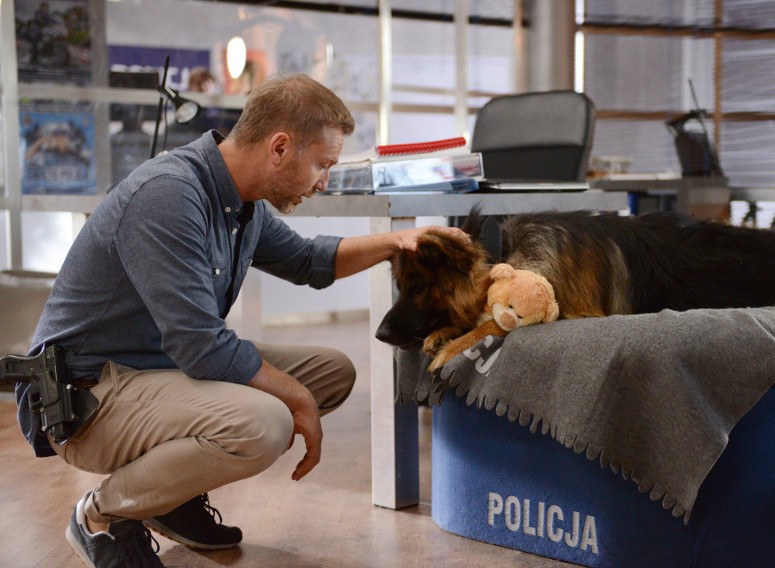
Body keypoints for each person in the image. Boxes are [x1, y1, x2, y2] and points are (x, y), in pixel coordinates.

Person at [14, 73, 468, 568]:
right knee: (265, 422)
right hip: (89, 399)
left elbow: (308, 261)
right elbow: (202, 347)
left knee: (332, 372)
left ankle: (170, 499)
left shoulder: (239, 201)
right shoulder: (169, 194)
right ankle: (98, 516)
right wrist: (295, 399)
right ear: (279, 147)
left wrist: (394, 243)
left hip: (155, 369)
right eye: (322, 164)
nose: (324, 183)